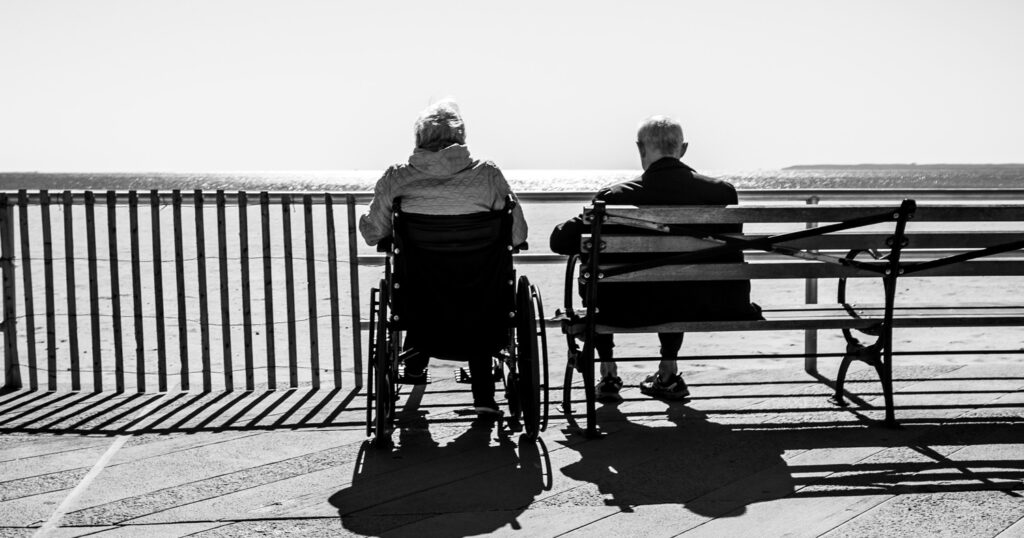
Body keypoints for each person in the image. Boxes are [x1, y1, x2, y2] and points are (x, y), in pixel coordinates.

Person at [550, 115, 760, 402]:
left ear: (640, 149)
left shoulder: (615, 197)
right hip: (708, 304)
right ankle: (668, 370)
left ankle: (608, 371)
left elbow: (559, 241)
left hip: (625, 310)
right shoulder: (722, 192)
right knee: (680, 277)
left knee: (594, 266)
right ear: (683, 149)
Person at [359, 98, 528, 416]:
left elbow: (373, 234)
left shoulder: (397, 178)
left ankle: (413, 365)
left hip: (421, 298)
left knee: (423, 280)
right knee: (474, 291)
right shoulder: (487, 175)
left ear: (419, 139)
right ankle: (484, 398)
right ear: (461, 138)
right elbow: (517, 235)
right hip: (482, 298)